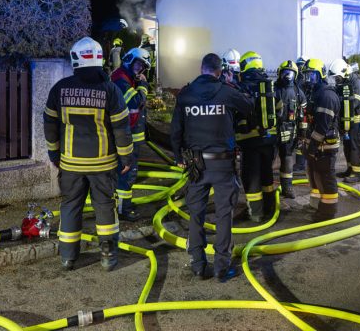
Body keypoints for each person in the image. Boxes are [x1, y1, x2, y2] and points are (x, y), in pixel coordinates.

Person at [43, 36, 134, 271]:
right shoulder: (110, 90)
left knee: (70, 206)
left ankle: (68, 256)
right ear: (100, 59)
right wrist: (126, 158)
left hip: (71, 164)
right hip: (103, 165)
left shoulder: (60, 89)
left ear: (75, 59)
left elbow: (50, 125)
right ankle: (107, 255)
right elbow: (121, 128)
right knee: (104, 207)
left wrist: (54, 155)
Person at [170, 53, 253, 282]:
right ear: (220, 71)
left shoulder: (186, 94)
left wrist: (178, 156)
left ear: (201, 68)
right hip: (223, 164)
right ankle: (221, 267)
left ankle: (198, 265)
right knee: (224, 214)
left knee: (196, 214)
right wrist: (232, 82)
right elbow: (249, 105)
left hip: (195, 165)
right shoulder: (226, 91)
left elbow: (175, 130)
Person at [235, 51, 278, 222]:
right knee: (267, 176)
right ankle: (270, 208)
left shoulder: (242, 86)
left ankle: (256, 213)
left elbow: (237, 112)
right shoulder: (269, 84)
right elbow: (279, 109)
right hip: (269, 140)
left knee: (251, 179)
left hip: (249, 140)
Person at [111, 47, 151, 221]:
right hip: (125, 137)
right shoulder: (120, 79)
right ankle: (123, 210)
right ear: (129, 60)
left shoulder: (127, 78)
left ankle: (123, 205)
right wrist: (143, 86)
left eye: (142, 67)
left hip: (131, 136)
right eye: (138, 65)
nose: (140, 70)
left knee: (129, 172)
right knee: (126, 173)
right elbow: (135, 101)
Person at [302, 60, 342, 222]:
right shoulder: (316, 93)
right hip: (318, 145)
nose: (308, 79)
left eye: (311, 75)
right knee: (315, 175)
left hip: (326, 146)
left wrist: (312, 147)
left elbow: (322, 126)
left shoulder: (327, 96)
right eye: (306, 75)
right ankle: (319, 206)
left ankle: (328, 212)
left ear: (321, 75)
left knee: (326, 177)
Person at [329, 58, 360, 184]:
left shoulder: (358, 83)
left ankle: (358, 173)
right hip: (350, 120)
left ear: (344, 73)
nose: (336, 81)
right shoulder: (345, 83)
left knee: (357, 145)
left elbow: (353, 103)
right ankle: (350, 169)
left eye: (337, 78)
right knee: (348, 145)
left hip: (359, 120)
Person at [274, 60, 307, 199]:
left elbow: (303, 117)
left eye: (291, 74)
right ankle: (267, 189)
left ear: (296, 75)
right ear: (279, 73)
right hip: (273, 133)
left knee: (287, 161)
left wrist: (302, 135)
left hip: (290, 134)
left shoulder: (299, 93)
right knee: (268, 161)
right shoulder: (273, 89)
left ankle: (287, 187)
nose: (288, 76)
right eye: (285, 73)